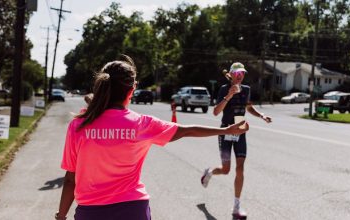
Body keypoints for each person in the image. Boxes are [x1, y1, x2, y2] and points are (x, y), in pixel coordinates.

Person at [55, 55, 249, 220]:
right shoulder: (141, 124)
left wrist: (61, 216)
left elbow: (71, 179)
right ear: (131, 90)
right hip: (133, 210)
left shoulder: (79, 125)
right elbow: (187, 130)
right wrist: (226, 130)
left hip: (90, 213)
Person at [201, 62, 272, 219]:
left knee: (240, 168)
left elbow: (249, 107)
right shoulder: (224, 89)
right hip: (225, 131)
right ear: (232, 75)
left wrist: (262, 116)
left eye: (243, 74)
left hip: (240, 131)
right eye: (238, 73)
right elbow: (215, 112)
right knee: (226, 170)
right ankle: (210, 172)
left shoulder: (246, 89)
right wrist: (229, 95)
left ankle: (236, 207)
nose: (241, 76)